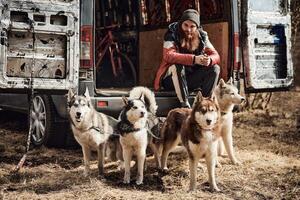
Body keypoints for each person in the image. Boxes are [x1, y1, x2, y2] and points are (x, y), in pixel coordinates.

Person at [154, 9, 220, 108]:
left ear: (197, 28)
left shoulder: (202, 36)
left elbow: (216, 55)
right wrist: (194, 59)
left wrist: (209, 60)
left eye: (192, 26)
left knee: (215, 68)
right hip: (171, 80)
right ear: (181, 24)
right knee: (177, 65)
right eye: (186, 25)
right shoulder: (171, 34)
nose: (188, 29)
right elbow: (168, 55)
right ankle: (184, 104)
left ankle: (205, 104)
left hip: (190, 79)